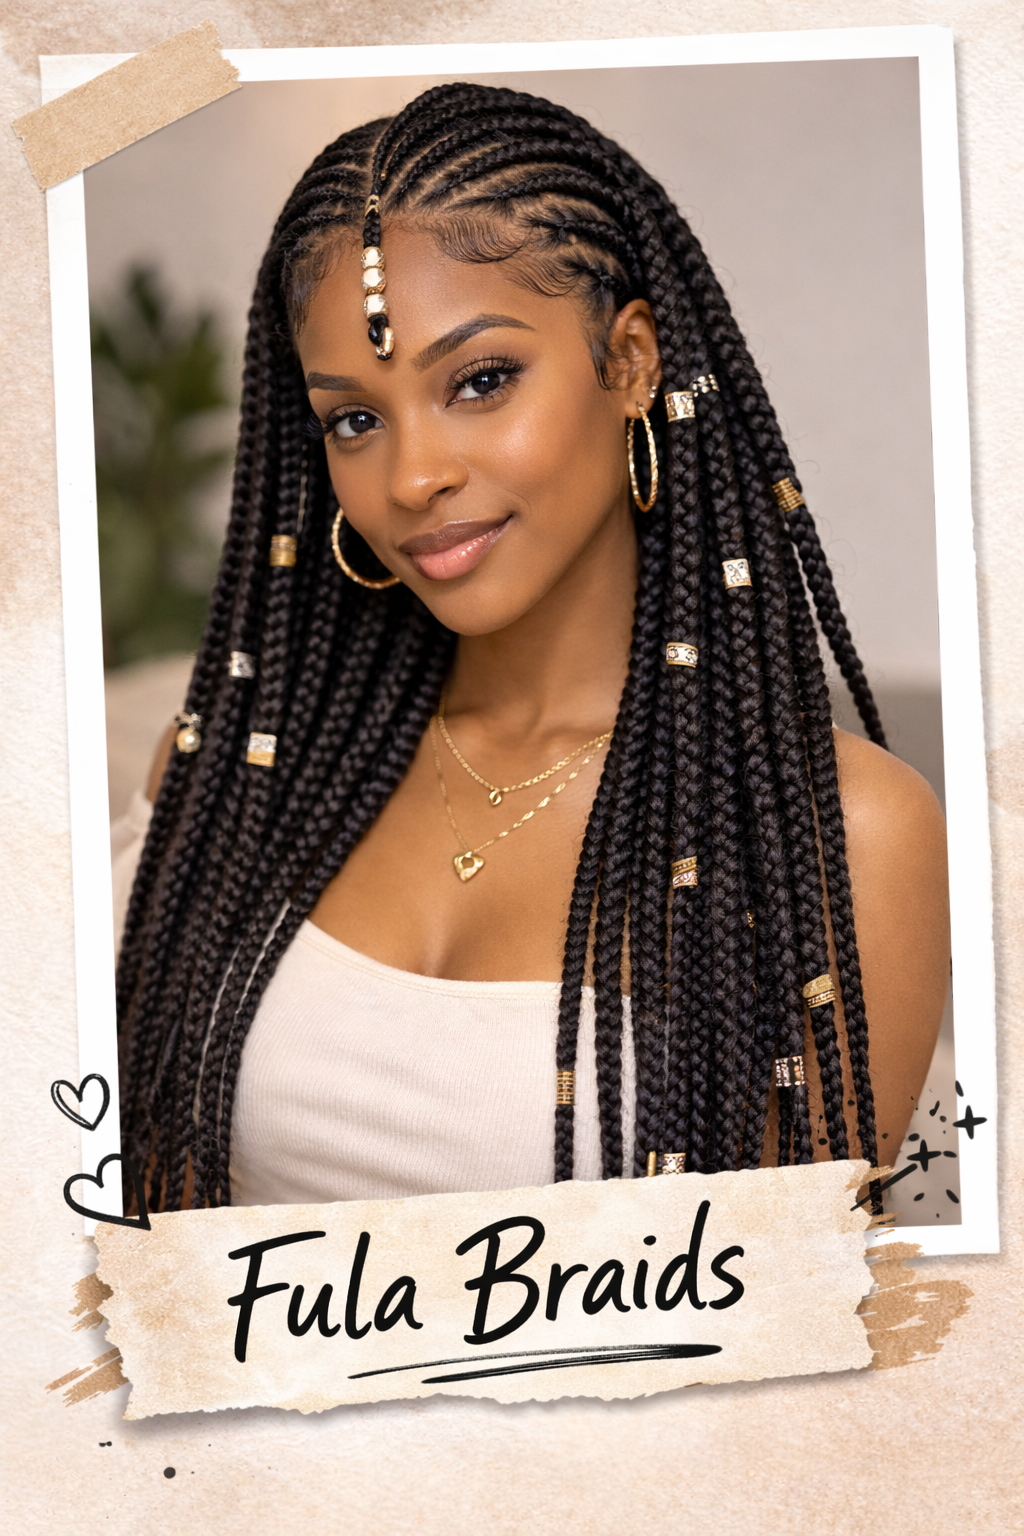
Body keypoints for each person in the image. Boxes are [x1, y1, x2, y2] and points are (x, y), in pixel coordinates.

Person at [113, 84, 949, 1213]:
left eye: (480, 381)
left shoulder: (836, 837)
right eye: (354, 419)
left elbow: (773, 1349)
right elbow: (132, 1256)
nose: (413, 478)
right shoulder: (234, 773)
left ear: (631, 361)